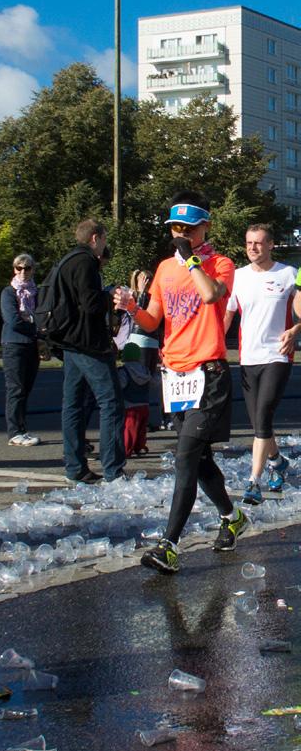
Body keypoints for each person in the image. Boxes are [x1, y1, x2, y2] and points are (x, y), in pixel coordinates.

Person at [114, 190, 247, 573]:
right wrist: (131, 307)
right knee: (199, 459)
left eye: (188, 229)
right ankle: (231, 516)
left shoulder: (220, 263)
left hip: (210, 372)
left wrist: (190, 259)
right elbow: (153, 321)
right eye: (175, 228)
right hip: (175, 375)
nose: (181, 234)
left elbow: (210, 296)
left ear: (205, 227)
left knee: (186, 456)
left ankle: (169, 545)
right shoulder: (163, 269)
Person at [224, 224, 301, 504]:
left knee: (263, 416)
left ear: (270, 245)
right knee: (260, 422)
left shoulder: (288, 274)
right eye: (248, 243)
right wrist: (215, 344)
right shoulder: (238, 277)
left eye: (258, 243)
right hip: (248, 357)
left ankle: (253, 482)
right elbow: (228, 315)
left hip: (278, 355)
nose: (252, 248)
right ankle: (278, 462)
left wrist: (295, 330)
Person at [60, 218, 126, 484]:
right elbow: (90, 304)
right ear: (95, 238)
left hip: (68, 341)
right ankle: (113, 470)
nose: (104, 245)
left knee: (73, 404)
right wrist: (109, 294)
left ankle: (74, 466)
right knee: (111, 402)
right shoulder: (86, 262)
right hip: (88, 342)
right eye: (104, 238)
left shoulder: (67, 261)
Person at [0, 253, 40, 446]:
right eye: (19, 268)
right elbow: (13, 320)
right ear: (14, 269)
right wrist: (34, 323)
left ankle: (22, 429)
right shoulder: (9, 292)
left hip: (31, 344)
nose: (23, 272)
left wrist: (32, 321)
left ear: (33, 270)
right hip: (13, 345)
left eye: (27, 268)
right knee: (15, 388)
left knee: (26, 388)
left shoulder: (36, 292)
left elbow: (42, 317)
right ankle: (14, 432)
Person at [118, 342, 151, 457]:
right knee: (142, 429)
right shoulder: (145, 370)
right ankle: (140, 447)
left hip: (130, 405)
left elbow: (120, 385)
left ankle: (126, 450)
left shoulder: (124, 371)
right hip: (145, 404)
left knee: (129, 429)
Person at [127, 270, 160, 375]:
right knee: (140, 377)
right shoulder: (134, 296)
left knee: (150, 377)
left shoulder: (154, 297)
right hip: (140, 340)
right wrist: (142, 292)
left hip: (153, 341)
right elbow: (137, 312)